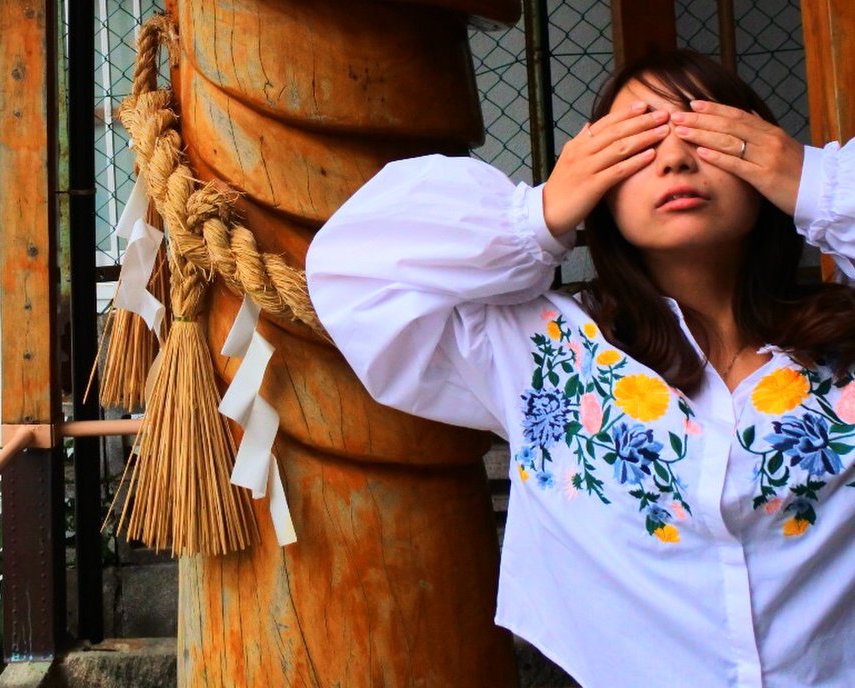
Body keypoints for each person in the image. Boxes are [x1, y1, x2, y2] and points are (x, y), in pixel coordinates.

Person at [305, 49, 855, 688]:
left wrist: (816, 182)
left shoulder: (843, 338)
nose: (674, 159)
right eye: (639, 142)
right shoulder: (538, 351)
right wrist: (538, 215)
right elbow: (354, 271)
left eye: (703, 134)